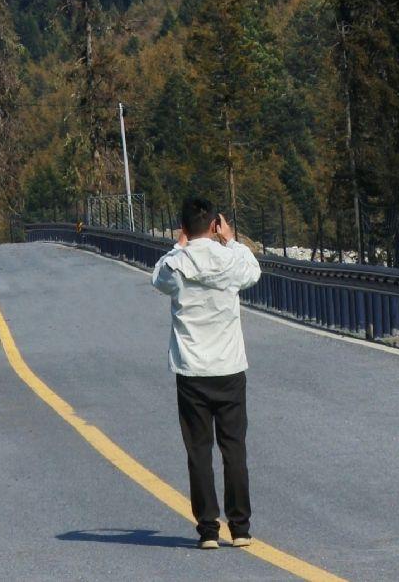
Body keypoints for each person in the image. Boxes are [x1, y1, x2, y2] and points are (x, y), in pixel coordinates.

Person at [151, 195, 262, 551]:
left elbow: (158, 277)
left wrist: (178, 245)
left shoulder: (177, 264)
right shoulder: (230, 259)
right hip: (229, 368)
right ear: (215, 224)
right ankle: (241, 527)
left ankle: (208, 530)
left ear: (183, 228)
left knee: (198, 450)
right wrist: (230, 239)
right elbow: (253, 270)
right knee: (234, 449)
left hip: (192, 370)